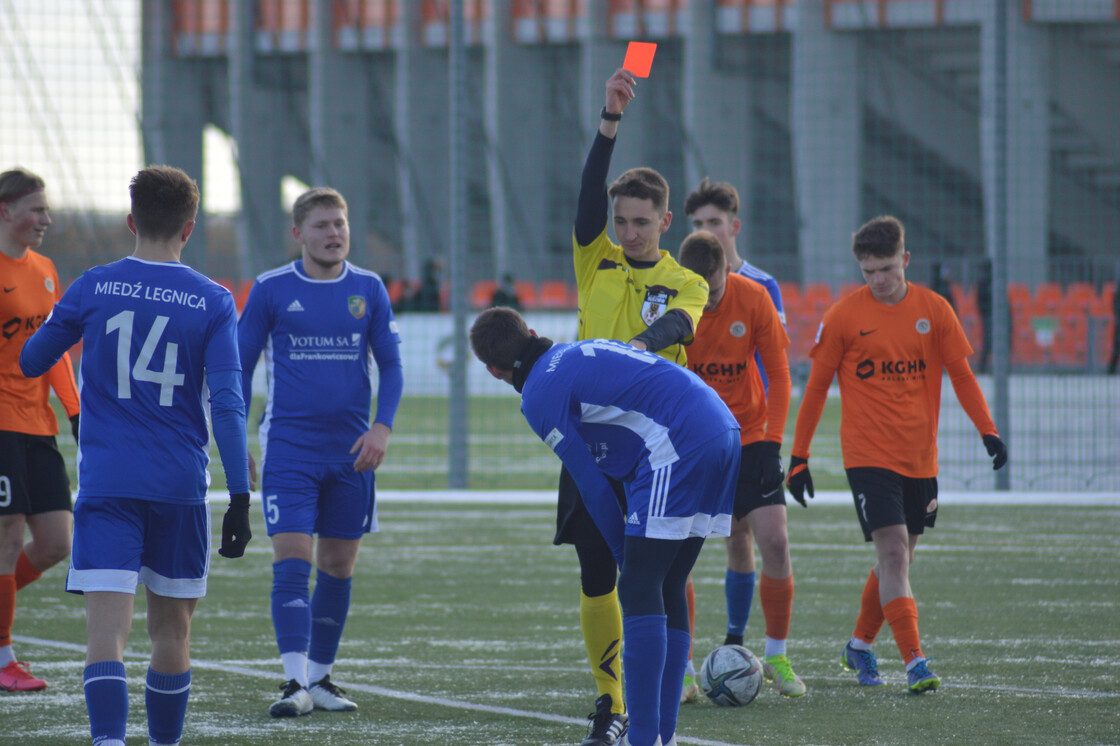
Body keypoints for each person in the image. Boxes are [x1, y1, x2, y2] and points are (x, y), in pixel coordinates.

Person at [19, 165, 252, 745]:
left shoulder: (94, 285)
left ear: (130, 221)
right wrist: (242, 497)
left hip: (107, 484)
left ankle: (108, 742)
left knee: (108, 632)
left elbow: (31, 359)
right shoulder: (213, 299)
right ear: (189, 228)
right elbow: (226, 402)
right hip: (179, 486)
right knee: (171, 630)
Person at [470, 307, 739, 746]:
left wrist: (622, 557)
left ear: (494, 371)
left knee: (637, 587)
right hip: (723, 426)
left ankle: (645, 739)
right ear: (534, 333)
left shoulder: (537, 394)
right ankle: (662, 737)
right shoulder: (577, 352)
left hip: (680, 439)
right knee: (668, 584)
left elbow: (591, 486)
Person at [787, 215, 1008, 694]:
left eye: (886, 268)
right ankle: (916, 663)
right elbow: (817, 389)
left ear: (905, 260)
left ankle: (859, 646)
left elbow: (963, 376)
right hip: (867, 454)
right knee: (891, 551)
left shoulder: (936, 310)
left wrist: (987, 430)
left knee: (899, 560)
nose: (878, 280)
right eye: (868, 272)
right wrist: (798, 457)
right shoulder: (844, 317)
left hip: (920, 456)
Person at [561, 68, 709, 746]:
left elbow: (680, 326)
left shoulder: (684, 278)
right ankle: (610, 702)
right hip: (591, 440)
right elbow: (590, 193)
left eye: (641, 222)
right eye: (621, 221)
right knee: (597, 569)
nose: (628, 231)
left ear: (666, 222)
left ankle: (656, 712)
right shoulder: (597, 259)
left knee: (651, 577)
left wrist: (637, 349)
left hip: (657, 449)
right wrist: (609, 121)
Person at [237, 186, 403, 718]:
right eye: (322, 226)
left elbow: (393, 367)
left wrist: (381, 427)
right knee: (292, 558)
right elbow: (237, 369)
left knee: (338, 564)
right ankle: (292, 682)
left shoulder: (369, 289)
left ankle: (321, 678)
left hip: (352, 454)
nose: (334, 234)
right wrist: (237, 442)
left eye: (340, 224)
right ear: (298, 234)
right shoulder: (270, 290)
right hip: (288, 448)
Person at [676, 232, 805, 699]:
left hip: (751, 439)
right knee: (678, 555)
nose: (705, 300)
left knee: (775, 541)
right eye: (697, 291)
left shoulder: (753, 298)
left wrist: (773, 442)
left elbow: (781, 372)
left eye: (711, 290)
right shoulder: (673, 306)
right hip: (693, 443)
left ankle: (776, 656)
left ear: (726, 271)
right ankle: (683, 669)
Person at [0, 168, 80, 692]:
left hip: (37, 424)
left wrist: (76, 413)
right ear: (5, 212)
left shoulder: (47, 270)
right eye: (36, 210)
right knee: (6, 537)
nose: (46, 219)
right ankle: (3, 657)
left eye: (47, 210)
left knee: (55, 542)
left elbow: (52, 353)